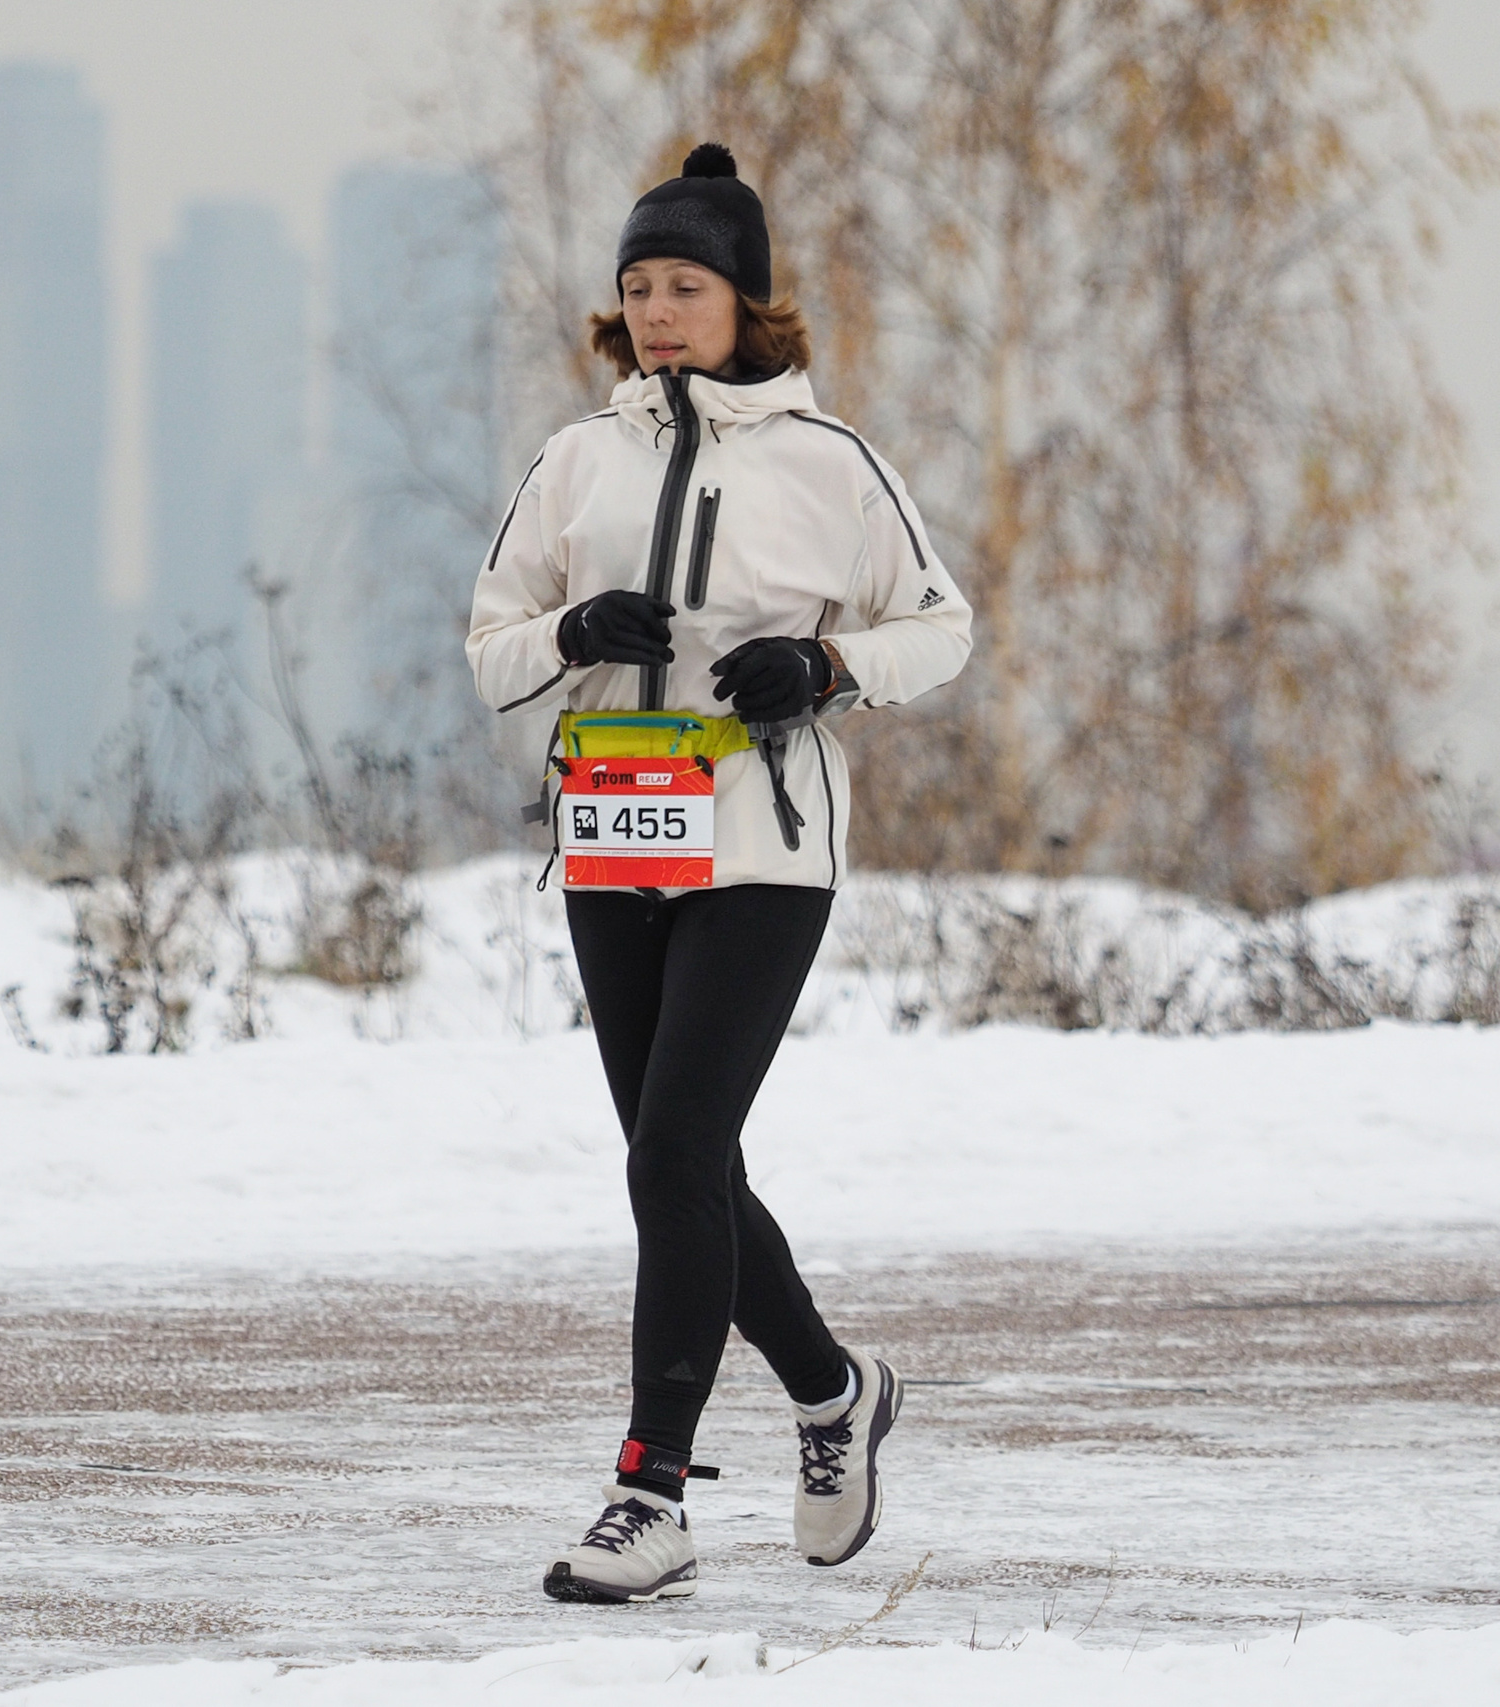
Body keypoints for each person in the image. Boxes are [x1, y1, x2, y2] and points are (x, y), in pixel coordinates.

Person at [467, 143, 976, 1604]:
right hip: (616, 837)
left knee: (675, 1153)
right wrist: (571, 636)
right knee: (674, 1165)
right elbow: (492, 640)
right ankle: (833, 1393)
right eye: (636, 288)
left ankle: (652, 1494)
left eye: (685, 285)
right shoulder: (575, 460)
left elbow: (937, 628)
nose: (656, 311)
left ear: (746, 302)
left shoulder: (831, 464)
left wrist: (824, 663)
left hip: (762, 846)